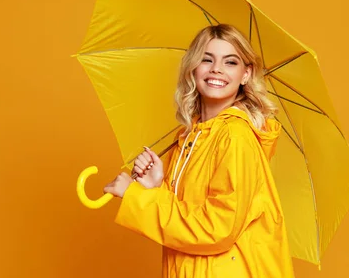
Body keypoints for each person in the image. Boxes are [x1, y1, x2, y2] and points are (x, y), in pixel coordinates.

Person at [103, 24, 295, 278]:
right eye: (207, 59)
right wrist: (156, 186)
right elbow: (185, 220)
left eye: (230, 62)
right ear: (193, 68)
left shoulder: (234, 136)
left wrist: (136, 197)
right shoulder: (188, 137)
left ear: (246, 74)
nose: (216, 69)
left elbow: (216, 228)